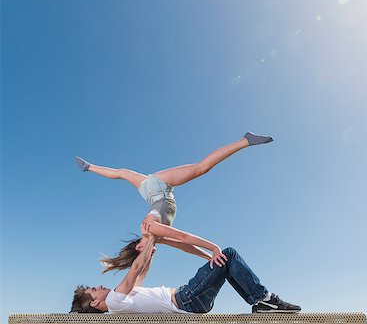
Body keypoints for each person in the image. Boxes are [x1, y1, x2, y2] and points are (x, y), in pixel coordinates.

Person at [75, 132, 273, 271]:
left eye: (146, 253)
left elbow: (184, 237)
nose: (151, 253)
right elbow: (183, 245)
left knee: (200, 168)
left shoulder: (151, 230)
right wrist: (207, 257)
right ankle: (89, 166)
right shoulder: (156, 237)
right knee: (121, 173)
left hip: (158, 188)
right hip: (150, 192)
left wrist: (213, 248)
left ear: (139, 247)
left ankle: (245, 140)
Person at [70, 239, 301, 314]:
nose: (99, 285)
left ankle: (261, 302)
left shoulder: (121, 301)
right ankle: (263, 299)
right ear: (95, 302)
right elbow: (132, 273)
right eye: (93, 289)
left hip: (190, 300)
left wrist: (150, 255)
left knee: (225, 263)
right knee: (227, 254)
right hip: (187, 298)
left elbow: (139, 277)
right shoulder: (113, 302)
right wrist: (150, 237)